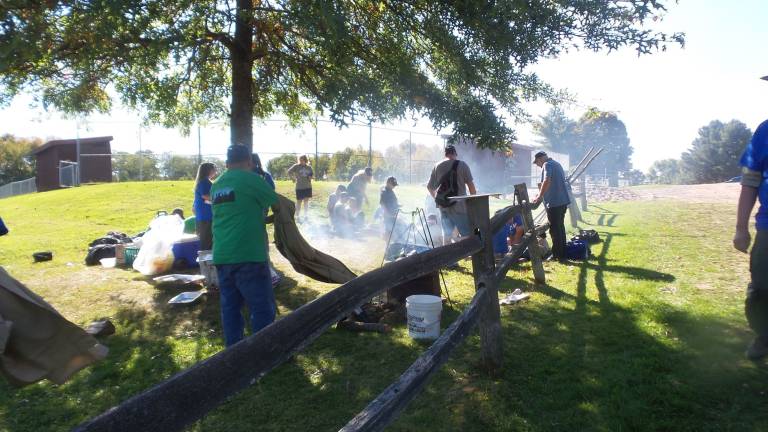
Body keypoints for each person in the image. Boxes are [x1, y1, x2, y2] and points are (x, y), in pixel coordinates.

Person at [210, 145, 278, 347]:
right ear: (249, 161)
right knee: (262, 308)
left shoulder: (217, 185)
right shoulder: (252, 179)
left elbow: (235, 212)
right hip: (248, 254)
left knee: (230, 308)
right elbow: (275, 202)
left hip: (222, 255)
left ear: (227, 163)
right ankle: (262, 350)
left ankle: (234, 351)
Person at [734, 105, 768, 360]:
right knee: (762, 287)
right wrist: (740, 228)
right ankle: (764, 336)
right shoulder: (765, 131)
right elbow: (750, 181)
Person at [427, 144, 476, 242]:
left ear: (445, 154)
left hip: (443, 206)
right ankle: (466, 253)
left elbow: (429, 187)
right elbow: (471, 186)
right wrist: (473, 202)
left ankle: (447, 255)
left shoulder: (437, 166)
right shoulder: (462, 165)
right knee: (466, 233)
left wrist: (438, 199)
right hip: (460, 206)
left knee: (447, 234)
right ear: (455, 154)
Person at [532, 151, 570, 261]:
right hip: (562, 201)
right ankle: (562, 253)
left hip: (554, 202)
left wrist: (539, 196)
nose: (538, 165)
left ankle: (557, 255)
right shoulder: (557, 164)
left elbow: (547, 181)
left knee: (554, 229)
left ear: (540, 159)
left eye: (537, 163)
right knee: (560, 227)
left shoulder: (547, 165)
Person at [193, 162, 217, 251]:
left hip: (203, 216)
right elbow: (205, 196)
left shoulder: (204, 182)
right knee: (206, 242)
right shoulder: (204, 182)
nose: (216, 171)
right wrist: (220, 198)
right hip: (206, 216)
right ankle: (206, 263)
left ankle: (207, 262)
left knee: (207, 241)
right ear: (209, 170)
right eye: (214, 169)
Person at [287, 155, 313, 220]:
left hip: (307, 187)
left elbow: (311, 176)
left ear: (305, 160)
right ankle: (297, 215)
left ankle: (306, 215)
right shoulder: (296, 166)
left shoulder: (309, 167)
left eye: (302, 160)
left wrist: (310, 178)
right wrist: (292, 178)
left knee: (306, 201)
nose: (301, 161)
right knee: (299, 202)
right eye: (300, 160)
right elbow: (289, 172)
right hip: (299, 187)